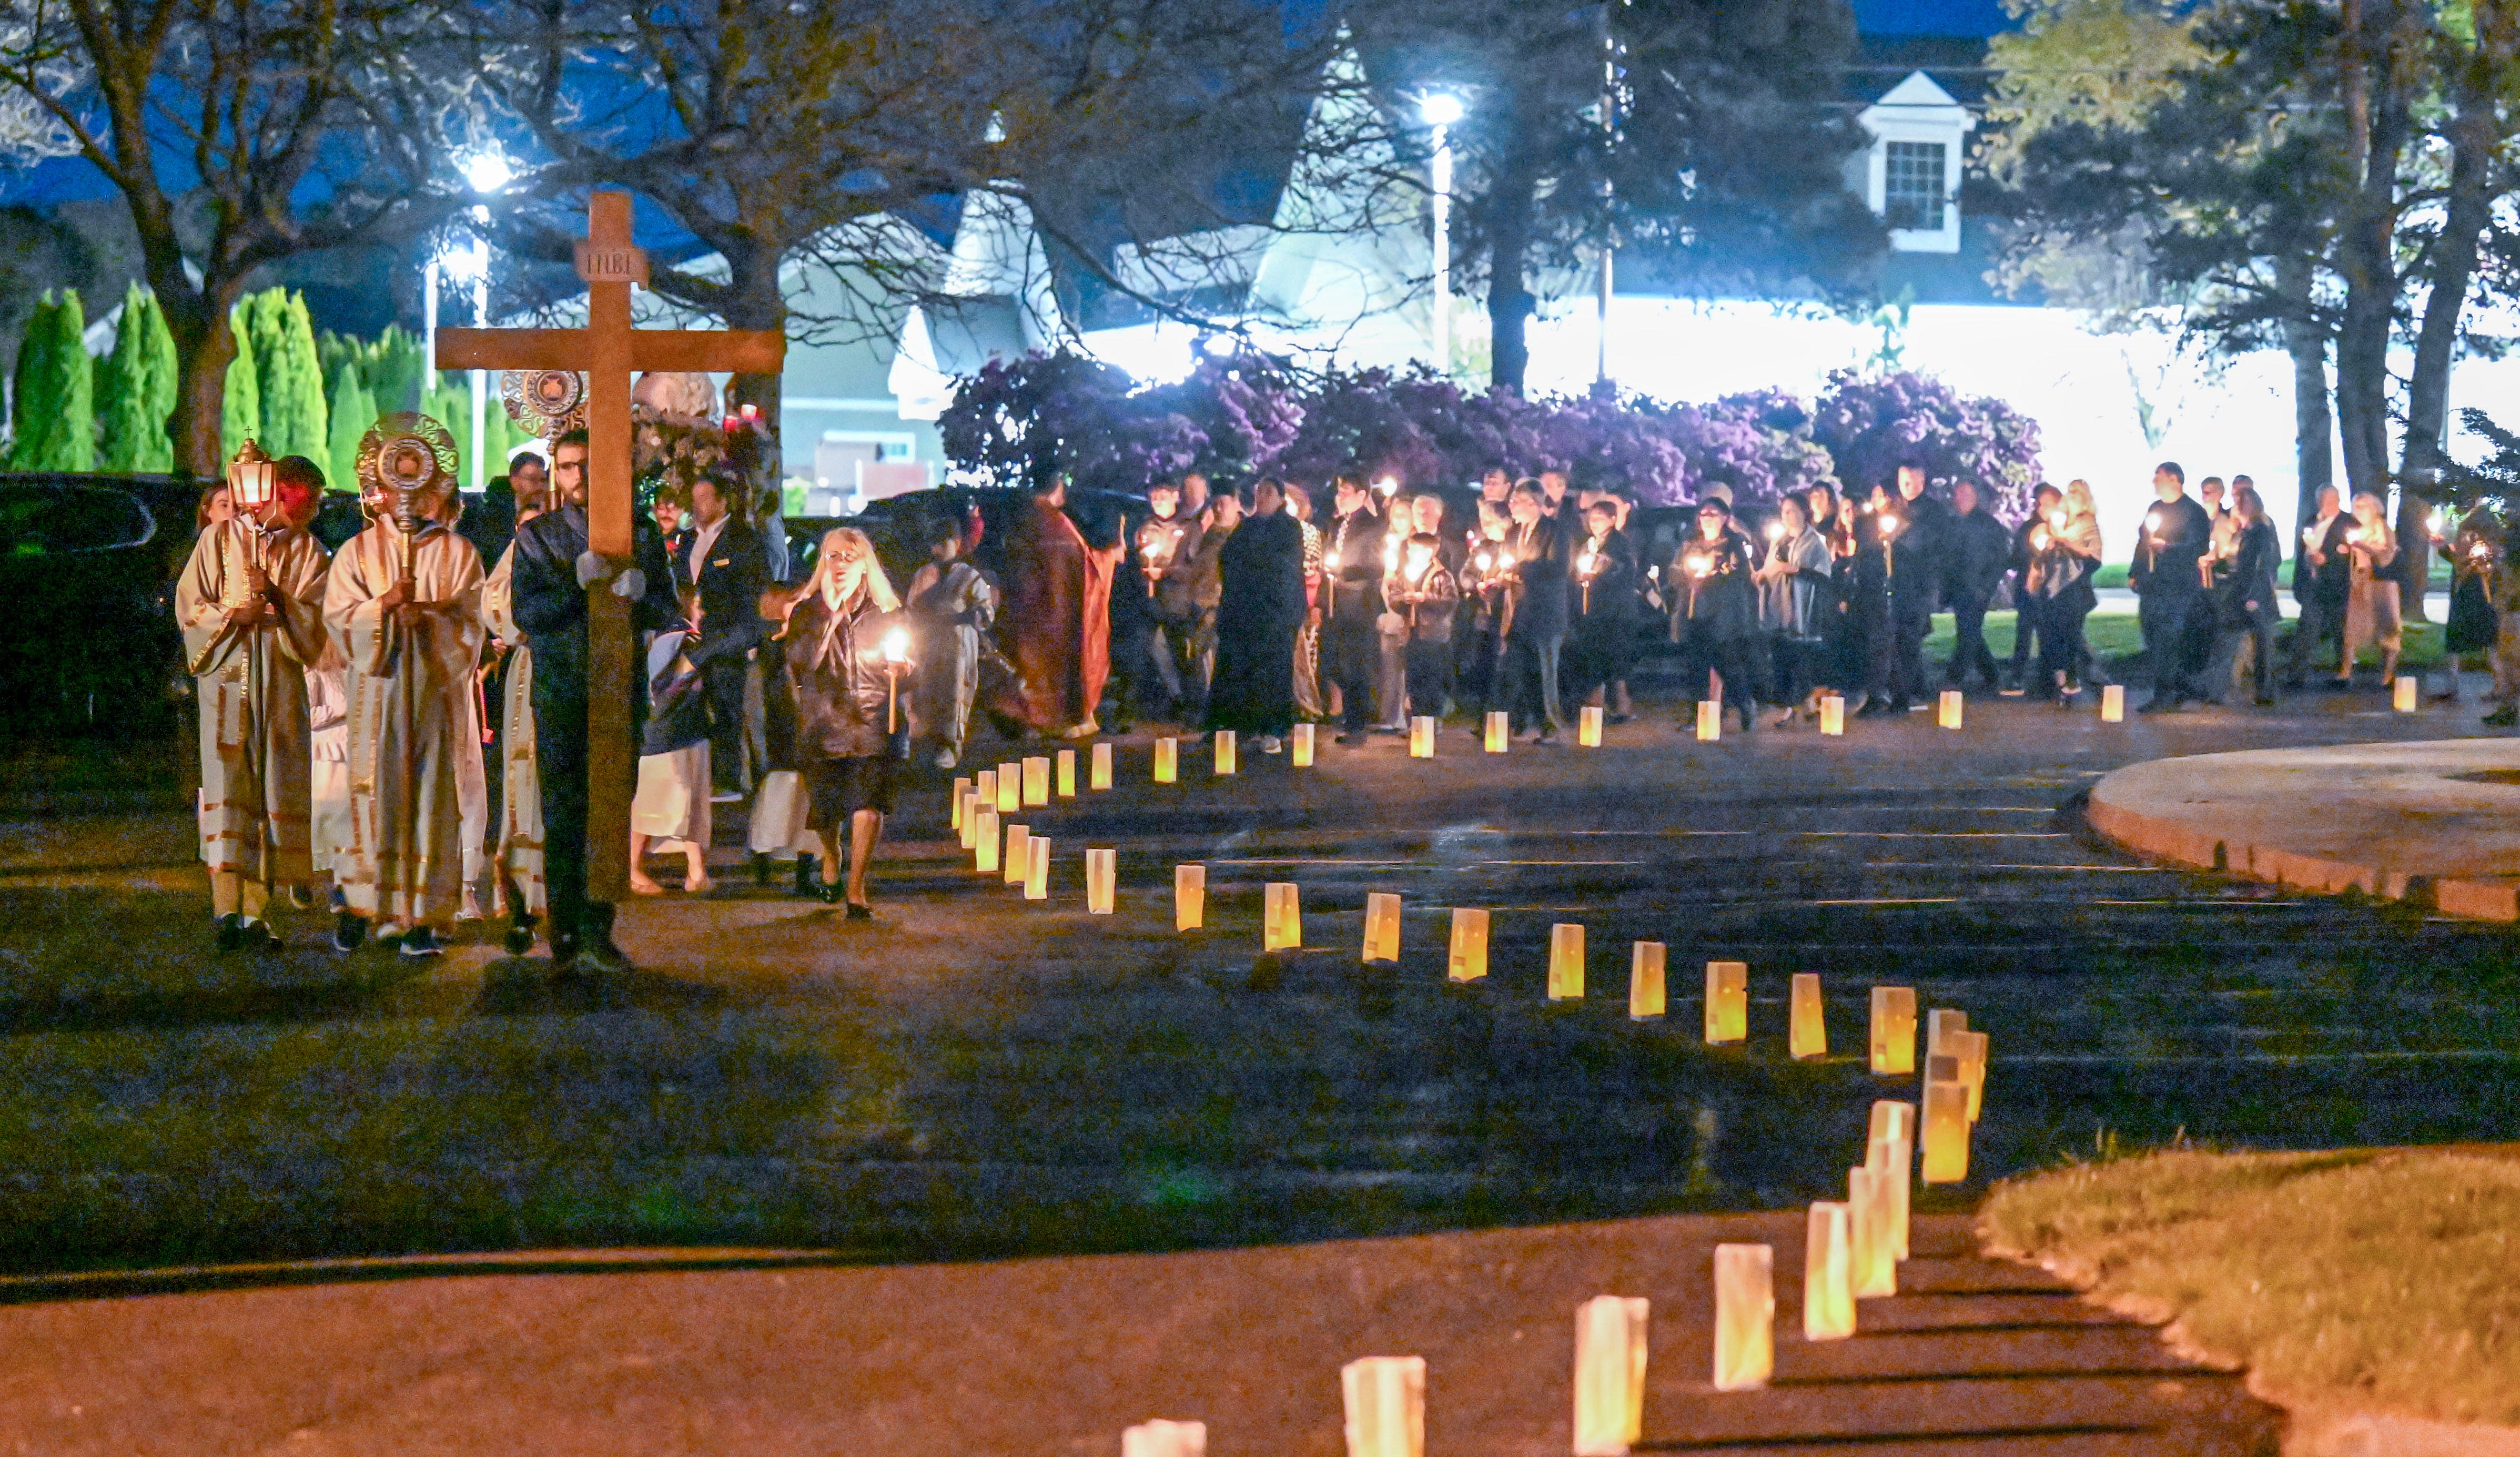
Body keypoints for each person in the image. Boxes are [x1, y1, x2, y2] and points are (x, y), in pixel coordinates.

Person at [509, 427, 681, 973]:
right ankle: (563, 931)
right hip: (562, 689)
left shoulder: (642, 533)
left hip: (618, 689)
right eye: (565, 466)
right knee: (563, 813)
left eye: (585, 465)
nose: (576, 476)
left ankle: (598, 928)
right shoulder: (538, 536)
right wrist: (572, 588)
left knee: (610, 810)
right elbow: (527, 615)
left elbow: (667, 607)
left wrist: (643, 594)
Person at [321, 414, 487, 957]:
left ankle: (421, 916)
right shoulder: (356, 553)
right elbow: (340, 619)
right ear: (382, 487)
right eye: (396, 483)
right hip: (377, 695)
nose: (406, 495)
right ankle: (360, 904)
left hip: (432, 698)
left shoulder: (458, 553)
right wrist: (385, 609)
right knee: (369, 799)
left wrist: (432, 619)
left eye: (418, 481)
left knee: (429, 802)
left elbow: (470, 624)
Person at [176, 452, 330, 950]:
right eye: (303, 497)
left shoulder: (309, 552)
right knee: (227, 786)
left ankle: (256, 914)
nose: (308, 509)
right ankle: (225, 908)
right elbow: (189, 605)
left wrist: (280, 602)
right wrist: (228, 617)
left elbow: (316, 621)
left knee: (271, 789)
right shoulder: (218, 540)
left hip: (280, 684)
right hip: (226, 681)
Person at [776, 527, 913, 914]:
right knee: (825, 810)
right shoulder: (807, 612)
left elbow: (915, 669)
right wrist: (831, 616)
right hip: (823, 724)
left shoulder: (889, 613)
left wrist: (904, 669)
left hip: (873, 722)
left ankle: (856, 889)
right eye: (832, 556)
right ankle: (832, 854)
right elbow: (800, 663)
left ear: (865, 566)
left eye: (849, 557)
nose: (840, 564)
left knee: (867, 804)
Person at [993, 473, 1123, 740]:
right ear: (1058, 487)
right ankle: (1056, 719)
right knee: (1058, 667)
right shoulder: (1056, 523)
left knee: (1031, 666)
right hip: (1057, 611)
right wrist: (1112, 555)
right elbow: (1085, 566)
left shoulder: (1023, 521)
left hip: (1026, 611)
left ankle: (1029, 719)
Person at [673, 463, 773, 797]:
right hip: (690, 638)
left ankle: (730, 778)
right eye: (695, 498)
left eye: (705, 498)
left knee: (729, 710)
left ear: (722, 502)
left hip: (730, 640)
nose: (698, 505)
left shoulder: (745, 542)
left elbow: (751, 599)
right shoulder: (686, 541)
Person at [479, 484, 548, 955]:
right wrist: (521, 628)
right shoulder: (514, 554)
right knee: (523, 777)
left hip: (566, 667)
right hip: (528, 670)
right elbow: (494, 599)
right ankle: (522, 892)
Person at [1207, 480, 1306, 753]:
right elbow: (1228, 557)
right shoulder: (1247, 526)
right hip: (1242, 611)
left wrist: (1254, 569)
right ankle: (1240, 725)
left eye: (1268, 492)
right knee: (1240, 668)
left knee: (1272, 671)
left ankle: (1272, 728)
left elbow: (1284, 568)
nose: (1260, 497)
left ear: (1280, 497)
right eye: (1258, 491)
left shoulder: (1289, 528)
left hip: (1274, 613)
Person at [906, 512, 998, 768]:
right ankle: (925, 740)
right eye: (934, 544)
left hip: (958, 642)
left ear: (957, 543)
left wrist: (975, 616)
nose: (939, 548)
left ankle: (951, 744)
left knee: (955, 691)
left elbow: (986, 609)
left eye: (944, 542)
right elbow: (911, 606)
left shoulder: (970, 576)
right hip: (928, 641)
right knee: (926, 689)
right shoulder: (925, 574)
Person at [1669, 498, 1762, 732]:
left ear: (1724, 518)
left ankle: (1744, 704)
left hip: (1721, 615)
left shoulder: (1733, 543)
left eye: (1713, 513)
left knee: (1726, 663)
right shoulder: (1691, 544)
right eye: (1704, 514)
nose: (1708, 518)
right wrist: (1689, 577)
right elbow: (1675, 571)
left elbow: (1739, 574)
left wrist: (1714, 575)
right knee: (1696, 666)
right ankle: (1698, 714)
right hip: (1694, 612)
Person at [2128, 461, 2212, 712]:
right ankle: (2176, 685)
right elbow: (2143, 542)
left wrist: (2169, 548)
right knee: (2152, 633)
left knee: (2169, 636)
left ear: (2175, 479)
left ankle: (2167, 692)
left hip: (2178, 585)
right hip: (2153, 584)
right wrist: (2136, 571)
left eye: (2159, 476)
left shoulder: (2193, 512)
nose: (2154, 481)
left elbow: (2199, 546)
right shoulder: (2155, 509)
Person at [1496, 481, 1571, 741]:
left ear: (1533, 504)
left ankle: (1551, 724)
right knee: (1524, 669)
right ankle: (1529, 721)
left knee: (1545, 671)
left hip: (1545, 611)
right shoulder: (1513, 534)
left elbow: (1559, 567)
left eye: (1515, 501)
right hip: (1518, 610)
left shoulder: (1555, 530)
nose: (1511, 507)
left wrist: (1521, 569)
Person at [1128, 479, 1202, 724]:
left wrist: (1167, 572)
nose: (1157, 502)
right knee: (1154, 650)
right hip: (1153, 600)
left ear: (1175, 496)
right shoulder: (1147, 528)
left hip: (1179, 601)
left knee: (1182, 652)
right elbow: (1139, 558)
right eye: (1154, 497)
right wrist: (1146, 570)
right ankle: (1175, 698)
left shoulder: (1188, 528)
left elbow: (1193, 565)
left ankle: (1193, 705)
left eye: (1162, 496)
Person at [1754, 494, 1831, 725]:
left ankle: (1800, 703)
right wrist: (1761, 575)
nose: (1786, 516)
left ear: (1803, 512)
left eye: (1791, 511)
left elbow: (1824, 573)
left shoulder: (1814, 542)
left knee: (1800, 657)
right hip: (1780, 608)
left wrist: (1795, 569)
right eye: (1784, 511)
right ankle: (1795, 704)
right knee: (1782, 656)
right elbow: (1771, 568)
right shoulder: (1780, 542)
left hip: (1802, 609)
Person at [1321, 474, 1388, 743]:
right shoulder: (1337, 524)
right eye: (1339, 492)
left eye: (1347, 492)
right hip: (1337, 600)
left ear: (1362, 495)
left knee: (1357, 663)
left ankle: (1358, 722)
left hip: (1360, 602)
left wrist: (1346, 570)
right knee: (1338, 661)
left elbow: (1377, 567)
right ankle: (1350, 716)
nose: (1341, 497)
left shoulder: (1373, 527)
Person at [2204, 483, 2282, 706]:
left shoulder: (2258, 533)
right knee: (2241, 642)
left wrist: (2252, 595)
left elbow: (2260, 566)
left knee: (2255, 644)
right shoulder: (2249, 532)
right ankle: (2229, 689)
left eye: (2239, 504)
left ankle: (2227, 690)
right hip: (2246, 594)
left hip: (2251, 596)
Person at [2026, 482, 2103, 702]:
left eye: (2077, 493)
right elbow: (2037, 549)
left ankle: (2079, 680)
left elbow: (2094, 557)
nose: (2072, 496)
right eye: (2069, 492)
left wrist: (2072, 547)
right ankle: (2060, 682)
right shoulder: (2055, 523)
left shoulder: (2087, 525)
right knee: (2051, 637)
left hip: (2075, 590)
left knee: (2071, 636)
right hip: (2050, 591)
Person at [1564, 500, 1638, 716]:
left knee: (1615, 659)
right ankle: (1597, 702)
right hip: (1592, 609)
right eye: (1591, 518)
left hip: (1615, 611)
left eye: (1599, 518)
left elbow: (1623, 572)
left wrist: (1600, 575)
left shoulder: (1620, 544)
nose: (1594, 523)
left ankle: (1621, 705)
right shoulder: (1589, 543)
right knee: (1595, 656)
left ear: (1613, 519)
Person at [1384, 531, 1461, 722]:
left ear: (1429, 552)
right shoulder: (1407, 573)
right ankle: (1417, 722)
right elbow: (1394, 597)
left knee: (1432, 680)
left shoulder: (1442, 576)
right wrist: (1404, 600)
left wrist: (1425, 599)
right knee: (1414, 680)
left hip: (1433, 636)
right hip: (1411, 634)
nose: (1410, 554)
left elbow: (1450, 602)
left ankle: (1433, 721)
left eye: (1415, 550)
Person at [1942, 480, 2011, 693]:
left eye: (1965, 494)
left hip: (1978, 588)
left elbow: (2000, 559)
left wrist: (1987, 585)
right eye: (1958, 495)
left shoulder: (1989, 525)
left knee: (1968, 632)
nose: (1960, 499)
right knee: (1970, 631)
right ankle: (1991, 674)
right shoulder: (1953, 524)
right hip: (1959, 587)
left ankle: (1955, 677)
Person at [2284, 485, 2353, 688]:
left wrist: (2328, 559)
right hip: (2313, 584)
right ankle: (2296, 675)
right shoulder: (2311, 522)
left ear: (2338, 500)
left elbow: (2352, 555)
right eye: (2322, 501)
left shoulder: (2347, 523)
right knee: (2307, 628)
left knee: (2340, 630)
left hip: (2337, 586)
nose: (2325, 505)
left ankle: (2343, 673)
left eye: (2330, 501)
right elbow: (2301, 552)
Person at [2437, 508, 2501, 705]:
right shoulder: (2478, 544)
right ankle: (2454, 685)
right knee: (2478, 642)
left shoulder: (2487, 546)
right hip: (2469, 596)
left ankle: (2500, 685)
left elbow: (2470, 565)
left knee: (2489, 642)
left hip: (2479, 596)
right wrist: (2444, 549)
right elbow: (2458, 562)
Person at [2339, 491, 2402, 687]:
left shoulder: (2382, 529)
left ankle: (2388, 673)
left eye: (2363, 506)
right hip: (2361, 582)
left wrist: (2364, 547)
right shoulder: (2359, 529)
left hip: (2382, 584)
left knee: (2387, 627)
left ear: (2374, 508)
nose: (2358, 510)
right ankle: (2346, 670)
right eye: (2356, 506)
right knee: (2354, 625)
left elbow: (2386, 558)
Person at [1283, 482, 1327, 721]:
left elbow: (1313, 569)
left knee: (1306, 654)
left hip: (1303, 599)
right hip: (1278, 600)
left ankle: (1307, 705)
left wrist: (1313, 604)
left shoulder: (1308, 532)